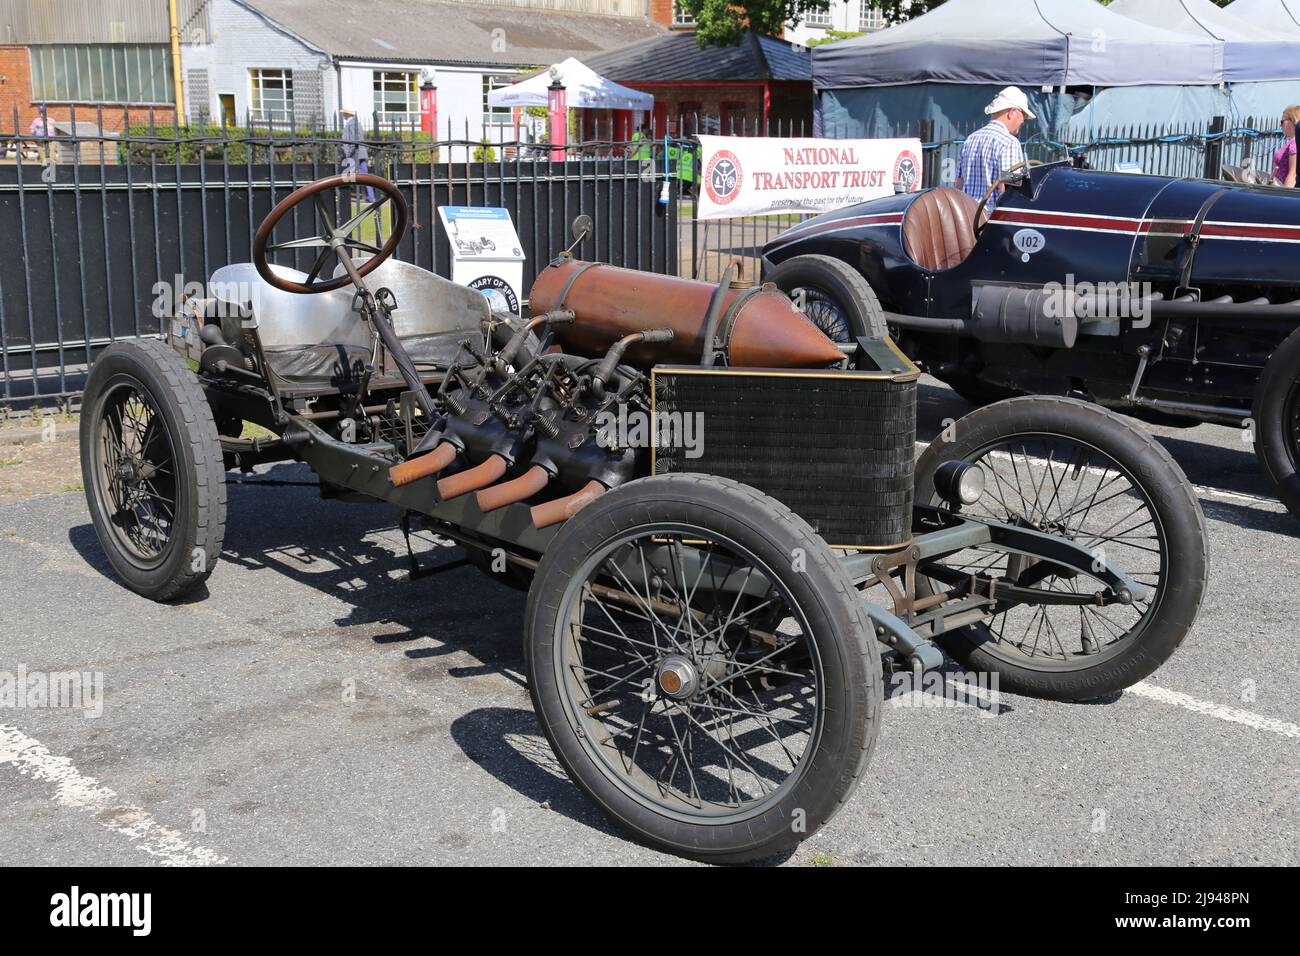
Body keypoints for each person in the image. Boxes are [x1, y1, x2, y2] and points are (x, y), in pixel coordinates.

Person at [956, 86, 1035, 207]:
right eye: (1023, 115)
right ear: (1012, 112)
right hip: (990, 217)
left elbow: (959, 184)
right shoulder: (1009, 142)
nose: (1023, 121)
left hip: (967, 215)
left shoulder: (970, 139)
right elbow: (1010, 189)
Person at [1273, 105, 1299, 188]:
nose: (1280, 126)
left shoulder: (1294, 143)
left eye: (1282, 122)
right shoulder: (1293, 142)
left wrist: (1284, 197)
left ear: (1292, 121)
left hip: (1283, 190)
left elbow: (1293, 174)